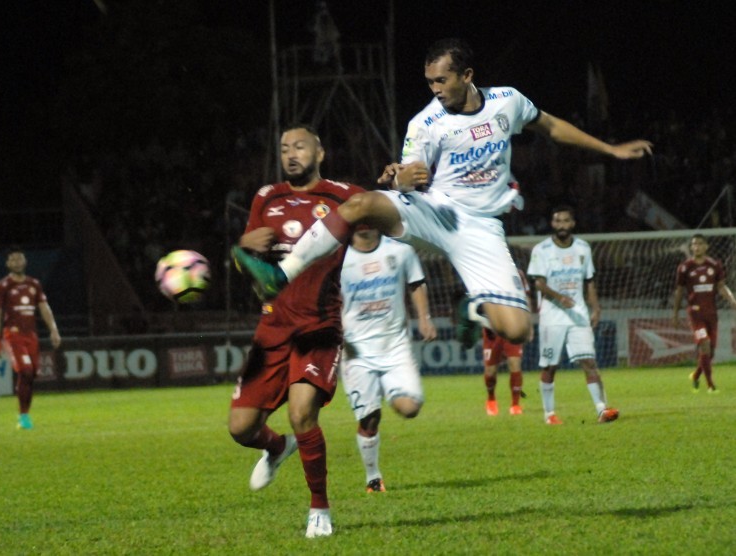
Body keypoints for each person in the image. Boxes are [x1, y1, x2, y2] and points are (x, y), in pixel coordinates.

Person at [232, 37, 652, 349]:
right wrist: (399, 179)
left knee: (518, 331)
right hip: (433, 210)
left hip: (481, 228)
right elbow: (406, 173)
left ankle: (473, 307)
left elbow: (552, 126)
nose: (435, 89)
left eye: (442, 80)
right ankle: (280, 275)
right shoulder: (426, 123)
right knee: (359, 203)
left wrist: (610, 149)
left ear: (467, 76)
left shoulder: (508, 102)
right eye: (429, 81)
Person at [228, 124, 364, 538]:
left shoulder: (344, 196)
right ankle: (276, 447)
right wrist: (243, 249)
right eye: (284, 147)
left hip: (319, 325)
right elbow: (250, 268)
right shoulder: (266, 198)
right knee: (240, 429)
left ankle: (319, 507)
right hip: (273, 325)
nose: (291, 153)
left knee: (302, 412)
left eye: (300, 146)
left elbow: (385, 214)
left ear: (319, 151)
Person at [338, 226, 437, 493]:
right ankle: (373, 477)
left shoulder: (400, 251)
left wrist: (424, 319)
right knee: (369, 419)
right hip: (355, 350)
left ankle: (387, 389)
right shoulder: (338, 257)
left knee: (409, 408)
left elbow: (416, 283)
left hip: (395, 346)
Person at [527, 205, 619, 425]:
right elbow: (538, 283)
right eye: (557, 221)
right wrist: (559, 298)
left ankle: (601, 410)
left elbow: (589, 281)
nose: (561, 225)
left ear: (573, 224)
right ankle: (549, 414)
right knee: (550, 366)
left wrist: (596, 308)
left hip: (578, 314)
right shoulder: (542, 249)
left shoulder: (583, 248)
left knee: (589, 361)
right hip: (552, 316)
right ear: (552, 224)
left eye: (565, 221)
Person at [0, 246, 61, 430]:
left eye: (19, 259)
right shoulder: (2, 285)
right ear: (7, 263)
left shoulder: (34, 284)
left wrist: (53, 329)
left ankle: (25, 414)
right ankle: (22, 417)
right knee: (26, 370)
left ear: (25, 261)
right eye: (13, 259)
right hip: (12, 334)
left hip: (31, 335)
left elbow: (44, 308)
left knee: (31, 375)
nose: (17, 262)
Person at [671, 234, 736, 393]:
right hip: (695, 314)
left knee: (710, 352)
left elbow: (721, 286)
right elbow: (679, 291)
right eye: (694, 244)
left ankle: (696, 375)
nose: (697, 247)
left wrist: (732, 301)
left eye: (700, 244)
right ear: (691, 247)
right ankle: (710, 386)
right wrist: (675, 313)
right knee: (705, 345)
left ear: (706, 246)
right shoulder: (685, 267)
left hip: (711, 313)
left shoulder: (715, 265)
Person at [482, 269, 531, 416]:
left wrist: (528, 324)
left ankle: (515, 405)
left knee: (515, 363)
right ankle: (491, 399)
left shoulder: (517, 273)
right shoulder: (483, 272)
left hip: (513, 323)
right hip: (492, 326)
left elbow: (525, 298)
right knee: (490, 371)